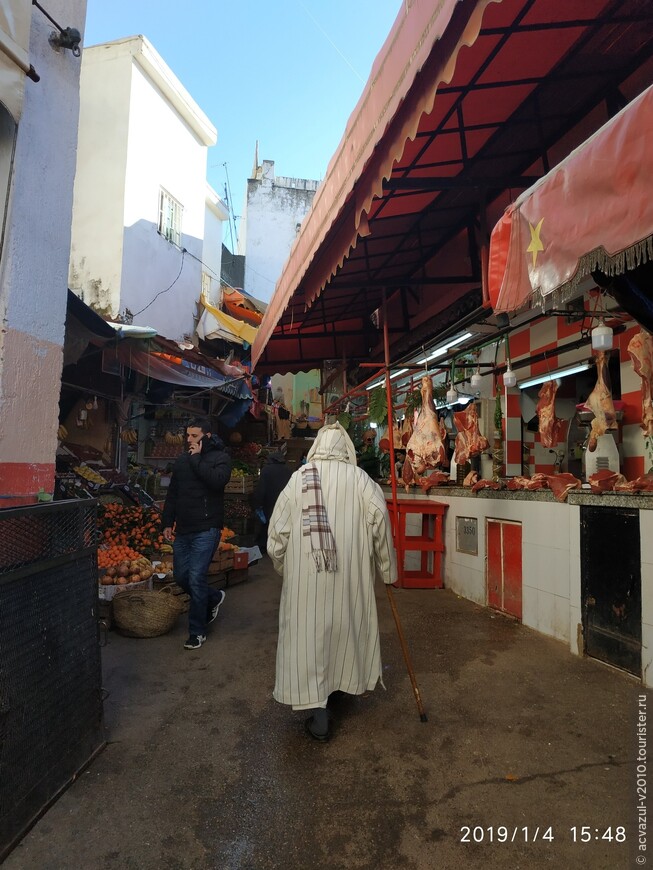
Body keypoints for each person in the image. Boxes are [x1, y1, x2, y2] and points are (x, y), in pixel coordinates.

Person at [267, 422, 397, 742]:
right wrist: (387, 570)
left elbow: (276, 537)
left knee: (310, 641)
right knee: (343, 631)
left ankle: (319, 713)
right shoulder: (362, 481)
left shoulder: (299, 479)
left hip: (306, 582)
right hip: (349, 579)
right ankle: (339, 688)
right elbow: (381, 523)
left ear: (316, 448)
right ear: (346, 450)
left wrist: (284, 566)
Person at [162, 418, 231, 650]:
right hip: (183, 529)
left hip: (207, 528)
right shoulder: (181, 461)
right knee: (181, 576)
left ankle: (197, 631)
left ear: (207, 437)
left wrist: (196, 459)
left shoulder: (220, 458)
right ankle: (212, 598)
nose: (189, 440)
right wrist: (167, 522)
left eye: (194, 436)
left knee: (196, 577)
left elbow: (216, 482)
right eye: (188, 436)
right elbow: (173, 493)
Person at [251, 444, 293, 555]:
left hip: (269, 503)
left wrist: (257, 504)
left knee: (267, 525)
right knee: (283, 525)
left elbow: (261, 489)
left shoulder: (266, 470)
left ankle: (266, 547)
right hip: (285, 503)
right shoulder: (289, 471)